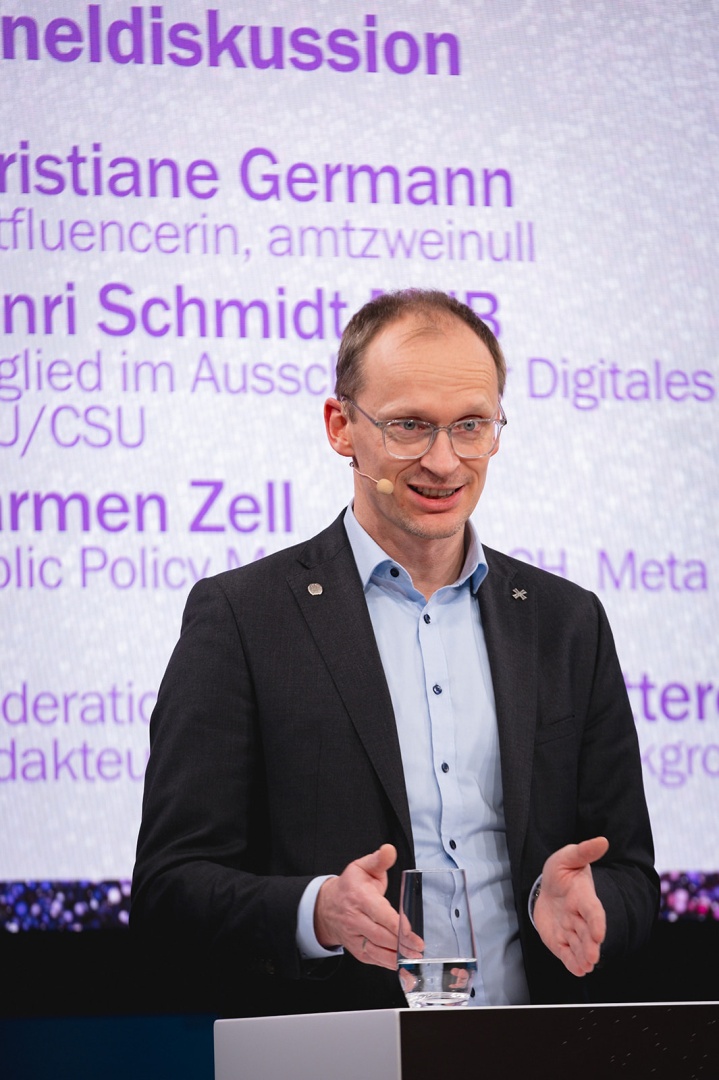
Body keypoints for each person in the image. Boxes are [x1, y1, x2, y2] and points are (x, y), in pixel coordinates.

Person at [131, 289, 658, 1016]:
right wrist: (318, 913)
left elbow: (630, 873)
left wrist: (586, 903)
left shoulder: (567, 622)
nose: (444, 461)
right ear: (340, 426)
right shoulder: (242, 619)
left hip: (535, 1049)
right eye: (409, 425)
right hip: (341, 1052)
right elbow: (169, 891)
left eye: (470, 426)